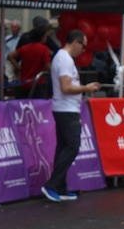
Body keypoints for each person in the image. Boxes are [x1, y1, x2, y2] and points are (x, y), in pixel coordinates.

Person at [41, 30, 101, 203]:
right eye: (83, 45)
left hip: (66, 108)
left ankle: (59, 186)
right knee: (72, 147)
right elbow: (66, 87)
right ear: (75, 42)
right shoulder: (65, 59)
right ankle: (52, 185)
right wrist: (87, 88)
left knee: (64, 147)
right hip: (66, 109)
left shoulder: (63, 58)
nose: (83, 50)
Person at [8, 28, 52, 98]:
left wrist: (18, 67)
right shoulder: (44, 49)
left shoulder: (25, 48)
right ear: (42, 37)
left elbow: (10, 56)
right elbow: (47, 66)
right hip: (38, 83)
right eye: (45, 36)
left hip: (24, 83)